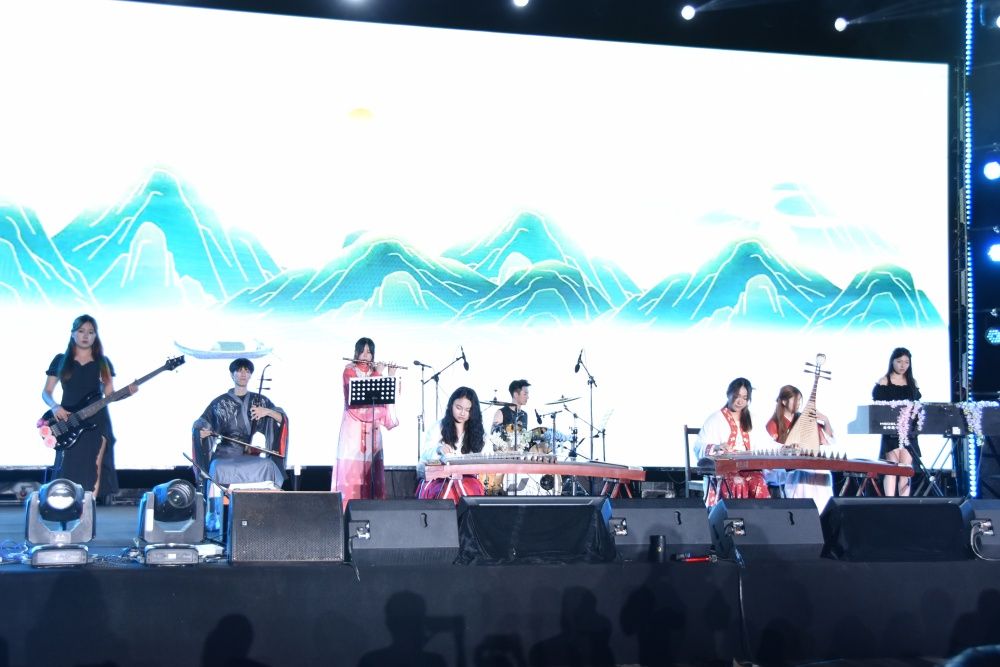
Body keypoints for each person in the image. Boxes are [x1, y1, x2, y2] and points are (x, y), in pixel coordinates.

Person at [41, 314, 137, 502]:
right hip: (68, 419)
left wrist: (129, 392)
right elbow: (46, 392)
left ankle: (88, 508)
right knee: (67, 465)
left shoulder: (102, 362)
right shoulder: (60, 360)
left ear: (95, 336)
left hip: (97, 420)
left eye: (91, 332)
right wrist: (54, 407)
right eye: (81, 331)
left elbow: (110, 395)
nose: (86, 336)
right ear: (73, 333)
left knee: (95, 466)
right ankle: (66, 506)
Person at [192, 358, 288, 530]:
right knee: (216, 468)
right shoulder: (220, 402)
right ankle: (215, 516)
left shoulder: (260, 400)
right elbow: (201, 423)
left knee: (268, 466)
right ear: (232, 374)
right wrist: (201, 432)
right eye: (239, 370)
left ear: (250, 375)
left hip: (248, 454)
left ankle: (268, 514)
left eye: (247, 371)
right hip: (225, 455)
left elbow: (282, 419)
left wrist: (266, 411)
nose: (243, 374)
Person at [332, 337, 399, 503]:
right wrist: (378, 374)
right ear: (356, 353)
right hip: (353, 430)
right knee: (352, 472)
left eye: (369, 352)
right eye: (362, 351)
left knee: (372, 472)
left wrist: (391, 375)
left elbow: (388, 397)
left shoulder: (375, 371)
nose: (365, 355)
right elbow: (355, 399)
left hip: (372, 430)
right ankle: (348, 510)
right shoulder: (349, 370)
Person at [694, 377, 768, 507]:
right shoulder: (715, 419)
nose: (740, 401)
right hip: (724, 470)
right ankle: (733, 517)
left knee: (758, 483)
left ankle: (757, 518)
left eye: (744, 398)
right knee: (737, 482)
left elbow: (766, 442)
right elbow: (698, 446)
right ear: (728, 394)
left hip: (748, 469)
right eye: (737, 396)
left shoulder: (753, 419)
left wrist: (785, 447)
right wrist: (716, 447)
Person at [765, 385, 835, 510]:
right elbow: (771, 448)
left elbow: (825, 440)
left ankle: (823, 511)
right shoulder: (774, 423)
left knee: (822, 472)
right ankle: (808, 511)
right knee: (802, 475)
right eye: (795, 400)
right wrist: (789, 448)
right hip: (788, 469)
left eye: (799, 400)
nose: (798, 404)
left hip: (807, 465)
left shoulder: (802, 420)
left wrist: (826, 420)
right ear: (784, 401)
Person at [417, 386, 490, 503]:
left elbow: (484, 457)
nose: (462, 413)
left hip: (467, 478)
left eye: (467, 410)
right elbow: (425, 457)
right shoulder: (438, 427)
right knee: (448, 491)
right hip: (439, 478)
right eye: (458, 408)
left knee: (471, 490)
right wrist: (438, 450)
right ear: (451, 405)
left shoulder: (479, 432)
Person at [872, 347, 921, 496]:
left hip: (909, 432)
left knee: (905, 469)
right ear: (892, 361)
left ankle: (904, 503)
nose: (903, 365)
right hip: (891, 431)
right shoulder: (884, 381)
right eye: (899, 361)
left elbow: (917, 406)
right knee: (891, 469)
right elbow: (878, 407)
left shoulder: (912, 382)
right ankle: (889, 501)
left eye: (906, 362)